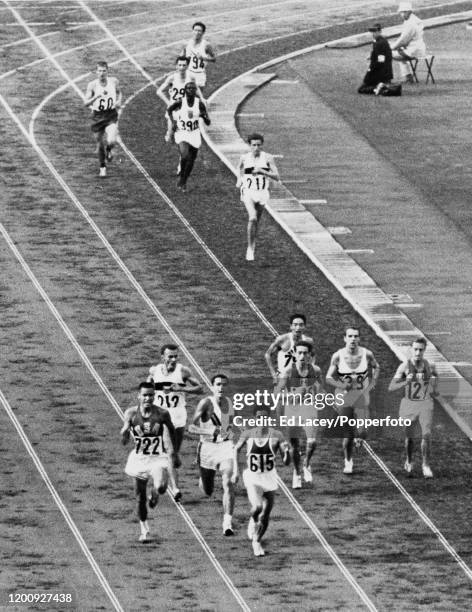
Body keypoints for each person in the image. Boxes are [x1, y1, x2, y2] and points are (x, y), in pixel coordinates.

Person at [121, 382, 179, 542]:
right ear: (139, 396)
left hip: (157, 458)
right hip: (139, 460)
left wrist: (175, 453)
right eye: (145, 395)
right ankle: (144, 528)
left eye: (151, 395)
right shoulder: (131, 413)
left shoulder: (162, 413)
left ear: (154, 396)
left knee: (161, 486)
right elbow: (124, 441)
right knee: (140, 498)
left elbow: (172, 431)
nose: (148, 398)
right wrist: (124, 432)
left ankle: (154, 494)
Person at [232, 409, 290, 557]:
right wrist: (235, 471)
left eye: (264, 417)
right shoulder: (247, 434)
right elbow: (235, 450)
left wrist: (287, 453)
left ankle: (257, 541)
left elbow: (286, 460)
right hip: (252, 477)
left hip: (269, 478)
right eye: (259, 417)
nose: (261, 420)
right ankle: (253, 520)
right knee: (257, 507)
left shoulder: (277, 435)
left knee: (266, 515)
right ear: (255, 419)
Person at [148, 344, 202, 500]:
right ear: (162, 357)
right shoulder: (155, 371)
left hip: (179, 417)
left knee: (174, 457)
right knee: (170, 453)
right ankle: (176, 489)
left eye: (175, 356)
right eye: (170, 356)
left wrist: (181, 388)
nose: (173, 359)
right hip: (162, 417)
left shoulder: (183, 371)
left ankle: (157, 487)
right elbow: (146, 387)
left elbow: (200, 388)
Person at [326, 327, 379, 474]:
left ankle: (360, 439)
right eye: (350, 336)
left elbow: (376, 366)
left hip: (361, 395)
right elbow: (328, 377)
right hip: (344, 396)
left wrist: (373, 382)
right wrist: (342, 384)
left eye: (356, 336)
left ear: (359, 339)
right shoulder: (338, 356)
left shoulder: (367, 354)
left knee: (363, 431)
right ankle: (348, 461)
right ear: (345, 338)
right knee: (348, 432)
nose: (353, 339)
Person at [189, 374, 235, 536]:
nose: (221, 387)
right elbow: (191, 428)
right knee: (208, 491)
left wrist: (230, 435)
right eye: (218, 384)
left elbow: (228, 427)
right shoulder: (206, 403)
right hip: (207, 448)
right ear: (212, 386)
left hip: (225, 448)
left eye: (224, 385)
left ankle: (227, 523)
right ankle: (203, 479)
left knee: (228, 482)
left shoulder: (230, 403)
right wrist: (209, 431)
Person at [274, 341, 324, 488]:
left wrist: (317, 394)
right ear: (295, 354)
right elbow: (276, 393)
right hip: (292, 410)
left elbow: (320, 388)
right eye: (299, 353)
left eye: (305, 353)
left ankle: (307, 463)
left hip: (309, 408)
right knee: (294, 446)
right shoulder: (288, 372)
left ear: (310, 355)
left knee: (312, 442)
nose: (302, 355)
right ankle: (296, 473)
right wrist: (293, 395)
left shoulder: (316, 370)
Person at [388, 337, 438, 478]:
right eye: (415, 349)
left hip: (425, 404)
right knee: (409, 437)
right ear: (411, 349)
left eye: (420, 350)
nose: (418, 352)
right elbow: (391, 387)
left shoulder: (430, 366)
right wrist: (405, 382)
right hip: (409, 404)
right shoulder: (404, 367)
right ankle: (409, 460)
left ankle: (426, 465)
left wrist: (433, 386)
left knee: (426, 434)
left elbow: (435, 378)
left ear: (424, 350)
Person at [236, 133, 280, 261]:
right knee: (253, 217)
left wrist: (262, 171)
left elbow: (277, 176)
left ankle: (252, 244)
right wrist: (239, 179)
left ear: (262, 145)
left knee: (256, 222)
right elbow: (239, 168)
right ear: (249, 145)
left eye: (259, 145)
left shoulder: (268, 158)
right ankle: (250, 249)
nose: (256, 148)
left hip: (262, 192)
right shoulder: (244, 158)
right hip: (248, 191)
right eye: (253, 145)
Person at [166, 81, 211, 192]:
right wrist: (174, 122)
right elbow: (169, 110)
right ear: (185, 90)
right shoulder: (181, 102)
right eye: (188, 89)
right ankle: (182, 176)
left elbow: (208, 122)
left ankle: (183, 181)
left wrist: (203, 116)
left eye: (193, 89)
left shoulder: (199, 103)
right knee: (185, 156)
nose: (191, 91)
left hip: (194, 133)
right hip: (182, 132)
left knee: (192, 160)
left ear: (195, 91)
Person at [84, 61, 122, 178]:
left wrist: (119, 101)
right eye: (99, 71)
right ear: (96, 72)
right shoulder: (92, 85)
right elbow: (86, 103)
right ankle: (102, 167)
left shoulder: (114, 81)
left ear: (107, 71)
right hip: (97, 117)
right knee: (99, 143)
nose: (101, 73)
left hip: (110, 114)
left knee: (111, 140)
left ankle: (109, 149)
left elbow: (119, 92)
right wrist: (95, 97)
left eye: (104, 71)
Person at [265, 313, 314, 385]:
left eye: (301, 325)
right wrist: (273, 374)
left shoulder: (308, 341)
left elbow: (312, 355)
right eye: (295, 325)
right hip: (283, 377)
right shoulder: (283, 339)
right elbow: (267, 354)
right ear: (291, 326)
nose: (298, 327)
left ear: (304, 327)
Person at [391, 2, 426, 84]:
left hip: (413, 51)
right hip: (418, 48)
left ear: (409, 12)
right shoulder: (414, 20)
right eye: (401, 12)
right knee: (399, 53)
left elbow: (403, 41)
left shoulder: (411, 24)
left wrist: (391, 47)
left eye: (404, 12)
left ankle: (386, 78)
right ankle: (408, 77)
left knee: (388, 54)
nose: (402, 14)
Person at [358, 23, 393, 94]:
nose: (372, 34)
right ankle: (379, 87)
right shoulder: (380, 41)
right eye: (372, 32)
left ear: (380, 32)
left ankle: (379, 87)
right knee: (364, 85)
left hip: (381, 73)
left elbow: (381, 61)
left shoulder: (379, 43)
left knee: (362, 89)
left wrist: (370, 70)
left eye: (375, 32)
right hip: (385, 72)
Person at [181, 22, 216, 90]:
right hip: (189, 72)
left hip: (200, 74)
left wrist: (204, 58)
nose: (197, 32)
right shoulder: (187, 44)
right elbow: (181, 58)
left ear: (203, 32)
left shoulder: (206, 45)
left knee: (198, 97)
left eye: (199, 31)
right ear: (192, 31)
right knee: (188, 96)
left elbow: (214, 59)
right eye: (195, 30)